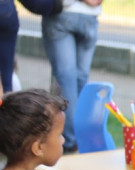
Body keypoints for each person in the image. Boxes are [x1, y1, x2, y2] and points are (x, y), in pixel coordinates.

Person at [41, 0, 104, 154]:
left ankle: (71, 141)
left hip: (62, 14)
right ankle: (79, 138)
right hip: (89, 16)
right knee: (79, 80)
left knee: (67, 80)